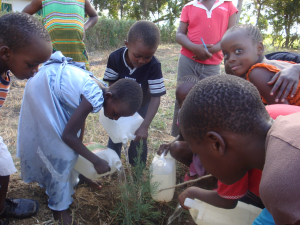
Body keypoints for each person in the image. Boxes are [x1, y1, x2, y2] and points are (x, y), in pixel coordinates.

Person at [17, 51, 143, 225]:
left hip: (50, 82)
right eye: (116, 113)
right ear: (109, 97)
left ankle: (77, 176)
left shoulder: (100, 91)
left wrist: (80, 145)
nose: (115, 118)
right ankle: (58, 208)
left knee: (71, 146)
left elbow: (78, 124)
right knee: (61, 152)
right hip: (43, 88)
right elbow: (67, 136)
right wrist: (95, 160)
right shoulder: (95, 96)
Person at [178, 75, 300, 224]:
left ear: (216, 144)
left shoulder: (282, 185)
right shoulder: (283, 119)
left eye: (198, 153)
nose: (200, 161)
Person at [0, 12, 53, 224]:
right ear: (6, 53)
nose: (35, 71)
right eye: (32, 64)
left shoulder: (5, 69)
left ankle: (1, 207)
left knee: (4, 168)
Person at [103, 20, 166, 166]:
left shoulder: (154, 66)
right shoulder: (115, 58)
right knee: (115, 135)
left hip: (142, 106)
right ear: (127, 44)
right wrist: (115, 109)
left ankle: (138, 169)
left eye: (147, 57)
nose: (142, 60)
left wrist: (145, 125)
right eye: (137, 55)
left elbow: (156, 98)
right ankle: (111, 166)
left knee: (139, 138)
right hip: (119, 105)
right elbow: (111, 86)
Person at [171, 0, 238, 136]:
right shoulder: (189, 7)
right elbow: (180, 34)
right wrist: (194, 48)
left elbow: (231, 34)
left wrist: (213, 49)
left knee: (209, 102)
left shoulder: (228, 6)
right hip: (188, 61)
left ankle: (201, 138)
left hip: (213, 64)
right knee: (183, 98)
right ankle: (180, 137)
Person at [221, 23, 300, 105]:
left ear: (259, 48)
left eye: (238, 51)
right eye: (226, 55)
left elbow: (283, 112)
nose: (231, 59)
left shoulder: (257, 73)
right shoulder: (278, 63)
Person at [22, 0, 98, 70]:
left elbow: (94, 16)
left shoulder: (82, 1)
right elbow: (22, 16)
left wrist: (84, 27)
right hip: (53, 60)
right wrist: (38, 33)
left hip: (78, 59)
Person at [158, 75, 206, 181]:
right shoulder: (181, 114)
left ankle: (215, 178)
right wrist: (169, 144)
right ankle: (197, 171)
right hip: (197, 153)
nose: (183, 105)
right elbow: (181, 136)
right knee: (175, 147)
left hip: (212, 154)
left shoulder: (208, 114)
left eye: (187, 99)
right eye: (179, 101)